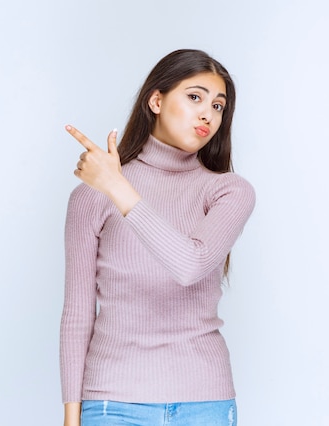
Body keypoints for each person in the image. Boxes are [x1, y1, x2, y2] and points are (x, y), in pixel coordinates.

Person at [60, 49, 256, 426]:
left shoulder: (229, 191)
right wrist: (72, 418)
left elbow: (190, 265)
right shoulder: (90, 195)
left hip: (205, 404)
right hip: (111, 403)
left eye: (218, 106)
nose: (208, 114)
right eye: (195, 97)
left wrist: (118, 186)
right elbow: (77, 314)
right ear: (156, 100)